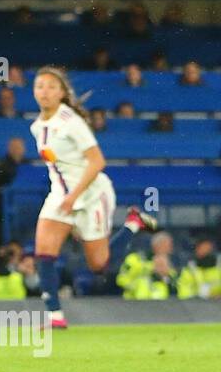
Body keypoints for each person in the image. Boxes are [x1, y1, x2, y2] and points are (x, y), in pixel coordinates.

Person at [29, 66, 157, 328]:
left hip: (91, 194)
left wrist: (74, 196)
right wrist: (65, 198)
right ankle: (55, 316)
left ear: (62, 93)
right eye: (40, 86)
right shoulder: (37, 126)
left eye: (52, 86)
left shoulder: (71, 123)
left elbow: (97, 161)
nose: (45, 91)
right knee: (43, 251)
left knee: (100, 265)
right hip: (61, 195)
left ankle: (133, 223)